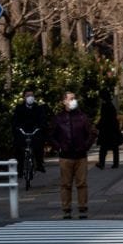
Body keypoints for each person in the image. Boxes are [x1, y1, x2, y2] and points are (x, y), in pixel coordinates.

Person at [49, 90, 97, 218]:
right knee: (66, 184)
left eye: (74, 98)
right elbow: (51, 136)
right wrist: (59, 147)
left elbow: (91, 133)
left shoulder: (82, 117)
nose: (73, 101)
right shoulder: (58, 118)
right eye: (70, 99)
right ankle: (66, 209)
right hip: (65, 157)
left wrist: (85, 146)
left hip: (81, 156)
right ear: (64, 101)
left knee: (82, 183)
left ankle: (83, 208)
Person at [11, 89, 49, 173]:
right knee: (18, 147)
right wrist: (17, 129)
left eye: (32, 95)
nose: (30, 97)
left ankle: (39, 164)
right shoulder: (19, 108)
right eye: (28, 96)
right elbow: (15, 121)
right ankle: (20, 169)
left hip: (35, 131)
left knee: (39, 144)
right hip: (22, 131)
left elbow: (42, 120)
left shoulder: (39, 108)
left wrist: (41, 128)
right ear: (24, 97)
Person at [96, 92, 123, 169]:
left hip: (106, 130)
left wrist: (97, 126)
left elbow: (103, 118)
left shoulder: (105, 106)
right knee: (115, 147)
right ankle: (115, 164)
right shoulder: (111, 105)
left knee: (103, 148)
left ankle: (102, 163)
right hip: (113, 129)